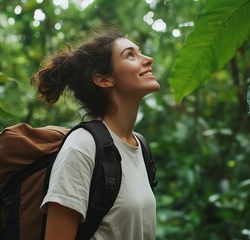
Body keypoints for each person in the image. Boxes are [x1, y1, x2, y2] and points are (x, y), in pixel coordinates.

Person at [31, 30, 160, 240]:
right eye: (130, 55)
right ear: (104, 79)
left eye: (140, 52)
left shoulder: (140, 145)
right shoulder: (82, 147)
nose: (148, 59)